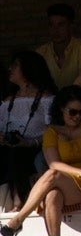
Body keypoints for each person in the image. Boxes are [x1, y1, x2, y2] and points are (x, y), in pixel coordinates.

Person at [0, 87, 81, 236]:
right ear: (61, 109)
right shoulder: (51, 132)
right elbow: (54, 164)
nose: (77, 116)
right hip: (65, 180)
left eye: (80, 112)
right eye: (73, 112)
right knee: (52, 195)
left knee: (52, 176)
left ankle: (19, 219)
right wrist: (80, 173)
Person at [0, 52, 54, 209]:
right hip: (9, 147)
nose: (11, 68)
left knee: (17, 155)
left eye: (15, 65)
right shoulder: (8, 101)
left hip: (35, 148)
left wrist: (30, 142)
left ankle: (19, 199)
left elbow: (53, 131)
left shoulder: (46, 99)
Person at [36, 6, 81, 92]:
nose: (55, 30)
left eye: (61, 25)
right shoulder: (41, 53)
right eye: (51, 25)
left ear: (71, 27)